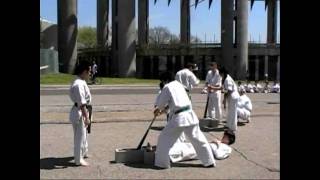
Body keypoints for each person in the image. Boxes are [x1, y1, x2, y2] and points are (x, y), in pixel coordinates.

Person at [153, 71, 215, 169]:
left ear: (165, 80)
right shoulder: (180, 85)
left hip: (179, 118)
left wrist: (158, 109)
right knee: (199, 140)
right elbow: (176, 102)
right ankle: (209, 161)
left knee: (164, 139)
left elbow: (160, 103)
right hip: (190, 115)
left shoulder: (167, 87)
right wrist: (163, 110)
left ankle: (162, 164)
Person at [69, 60, 92, 166]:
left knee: (84, 134)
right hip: (79, 111)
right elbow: (81, 102)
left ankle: (84, 152)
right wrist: (86, 117)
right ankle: (78, 159)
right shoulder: (78, 84)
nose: (90, 74)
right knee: (79, 136)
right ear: (84, 71)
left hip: (82, 110)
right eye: (89, 71)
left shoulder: (81, 81)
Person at [208, 67, 239, 145]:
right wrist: (213, 88)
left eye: (221, 74)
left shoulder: (227, 79)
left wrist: (224, 100)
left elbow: (227, 91)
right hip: (230, 96)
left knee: (232, 112)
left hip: (233, 96)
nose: (220, 75)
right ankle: (229, 125)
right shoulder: (225, 79)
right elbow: (222, 88)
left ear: (223, 73)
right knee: (230, 111)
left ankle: (232, 127)